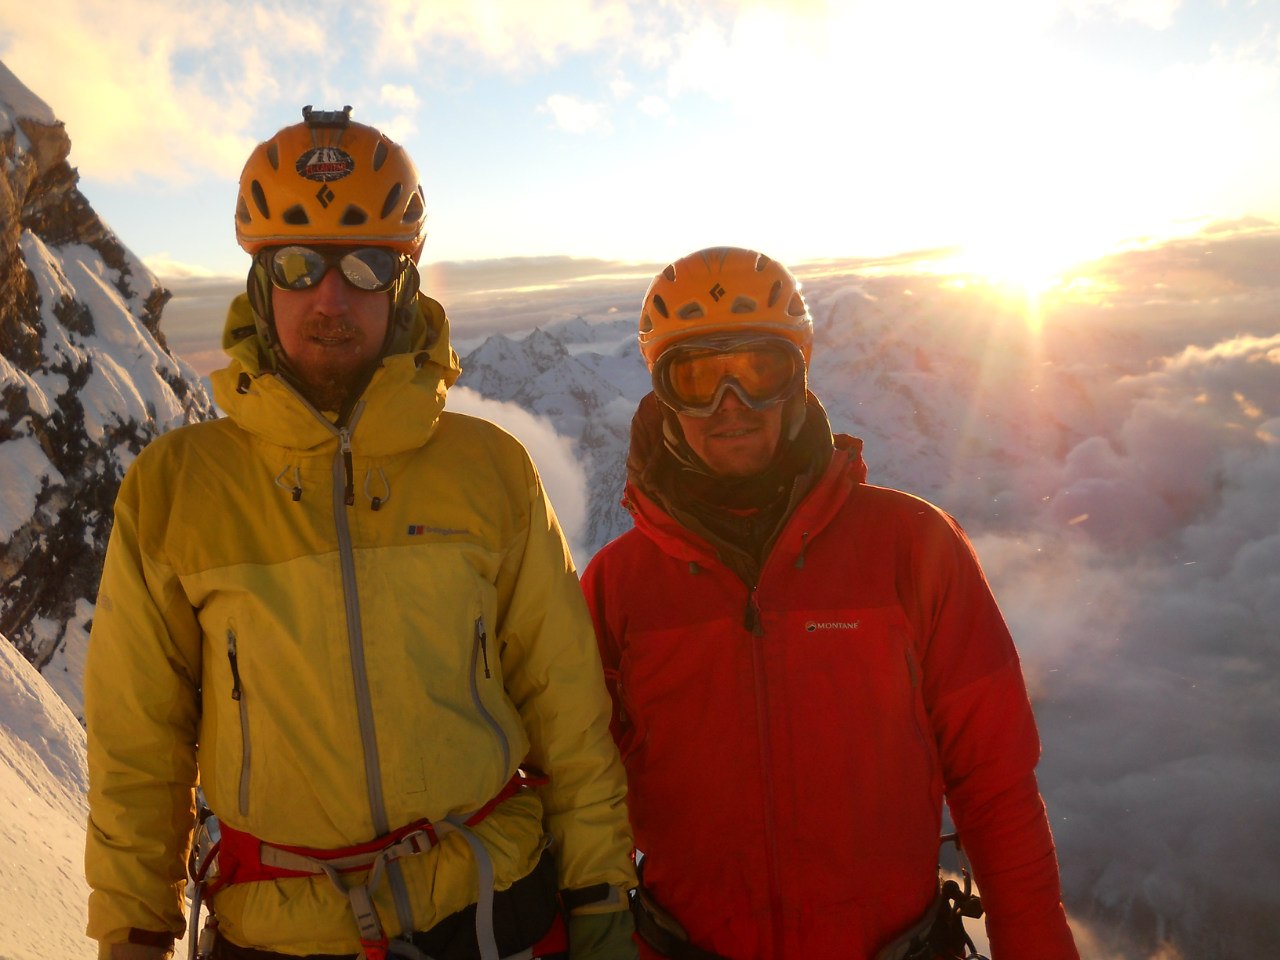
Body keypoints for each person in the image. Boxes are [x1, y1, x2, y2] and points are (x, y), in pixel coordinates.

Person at [84, 107, 638, 960]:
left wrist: (600, 889)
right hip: (282, 927)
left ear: (405, 283)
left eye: (368, 265)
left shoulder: (491, 469)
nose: (331, 298)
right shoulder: (177, 490)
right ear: (263, 285)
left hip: (493, 908)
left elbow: (566, 705)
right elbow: (139, 744)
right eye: (299, 265)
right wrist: (131, 930)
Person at [580, 246, 1081, 959]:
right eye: (696, 378)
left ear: (798, 374)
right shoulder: (617, 587)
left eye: (758, 370)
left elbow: (996, 783)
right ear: (662, 392)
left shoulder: (913, 549)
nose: (732, 405)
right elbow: (574, 794)